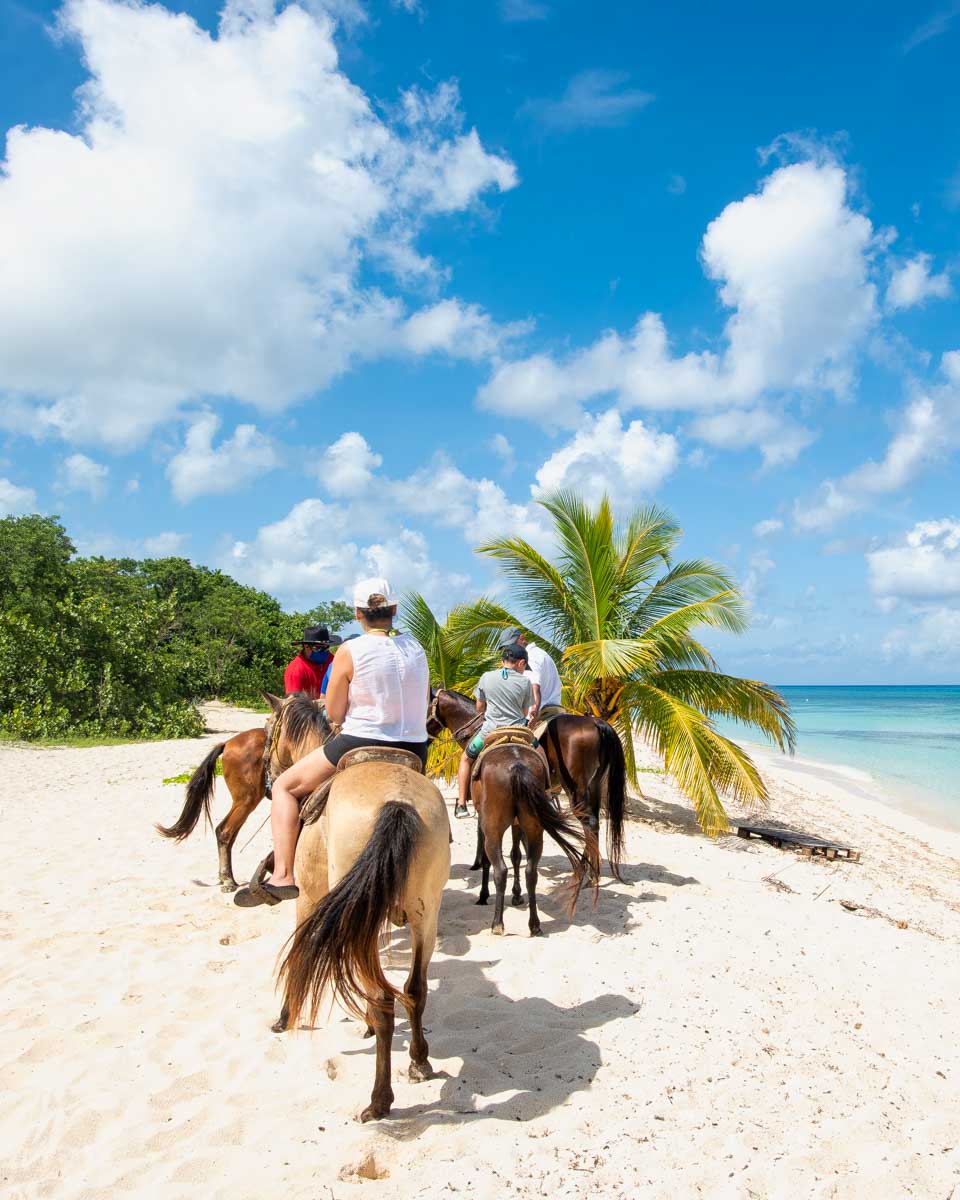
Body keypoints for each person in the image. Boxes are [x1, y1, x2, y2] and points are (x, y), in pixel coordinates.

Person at [235, 578, 430, 906]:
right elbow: (423, 700)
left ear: (358, 614)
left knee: (284, 786)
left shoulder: (350, 651)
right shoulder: (417, 648)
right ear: (394, 610)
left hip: (358, 741)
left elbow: (336, 713)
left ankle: (283, 875)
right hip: (415, 748)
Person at [455, 643, 539, 819]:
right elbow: (524, 713)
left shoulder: (486, 677)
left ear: (504, 660)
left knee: (466, 759)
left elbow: (479, 708)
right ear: (521, 663)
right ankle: (546, 794)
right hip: (519, 730)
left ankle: (462, 804)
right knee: (541, 753)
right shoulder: (525, 682)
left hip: (490, 731)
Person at [497, 626, 563, 722]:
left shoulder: (530, 657)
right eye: (507, 648)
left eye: (512, 644)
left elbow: (534, 688)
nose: (510, 649)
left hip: (539, 712)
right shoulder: (540, 653)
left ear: (522, 638)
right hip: (553, 708)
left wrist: (533, 713)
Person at [283, 625, 342, 699]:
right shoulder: (296, 671)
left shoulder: (331, 661)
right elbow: (295, 704)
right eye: (318, 648)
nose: (323, 652)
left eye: (326, 648)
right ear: (306, 646)